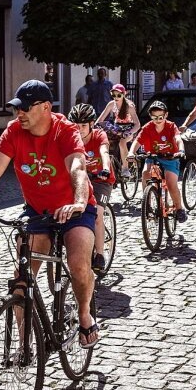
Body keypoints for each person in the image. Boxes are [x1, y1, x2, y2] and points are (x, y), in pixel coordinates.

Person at [0, 80, 99, 347]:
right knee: (20, 279)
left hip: (73, 209)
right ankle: (25, 342)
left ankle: (84, 314)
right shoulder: (14, 131)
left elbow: (78, 169)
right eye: (16, 109)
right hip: (38, 211)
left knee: (79, 263)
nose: (19, 114)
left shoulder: (65, 131)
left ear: (46, 107)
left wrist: (79, 202)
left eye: (24, 108)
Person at [67, 104, 114, 273]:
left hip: (100, 180)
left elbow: (104, 152)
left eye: (83, 126)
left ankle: (100, 254)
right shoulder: (70, 138)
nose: (79, 130)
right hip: (80, 180)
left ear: (91, 124)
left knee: (97, 214)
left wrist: (106, 168)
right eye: (76, 126)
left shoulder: (99, 135)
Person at [127, 100, 187, 223]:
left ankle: (179, 208)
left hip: (170, 158)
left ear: (166, 115)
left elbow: (178, 138)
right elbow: (137, 141)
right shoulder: (148, 127)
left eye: (161, 117)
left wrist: (181, 150)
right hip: (153, 157)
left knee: (171, 183)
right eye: (155, 117)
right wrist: (131, 152)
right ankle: (147, 201)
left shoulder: (171, 126)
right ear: (151, 117)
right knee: (145, 173)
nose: (158, 120)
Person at [95, 83, 140, 178]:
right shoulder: (111, 104)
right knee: (105, 143)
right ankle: (106, 166)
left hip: (128, 128)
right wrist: (95, 126)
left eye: (119, 95)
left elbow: (137, 124)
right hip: (116, 128)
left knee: (122, 143)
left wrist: (129, 132)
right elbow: (100, 119)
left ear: (124, 94)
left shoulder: (129, 106)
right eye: (113, 95)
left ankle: (125, 168)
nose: (116, 97)